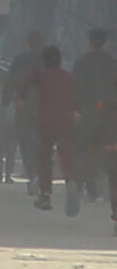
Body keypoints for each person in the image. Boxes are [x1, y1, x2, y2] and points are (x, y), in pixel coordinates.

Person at [33, 43, 83, 213]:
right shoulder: (69, 78)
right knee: (67, 152)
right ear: (60, 61)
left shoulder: (40, 76)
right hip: (67, 119)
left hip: (46, 121)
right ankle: (71, 181)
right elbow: (77, 99)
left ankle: (45, 195)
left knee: (45, 155)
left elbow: (25, 90)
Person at [74, 28, 117, 209]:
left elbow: (74, 87)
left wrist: (76, 109)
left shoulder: (82, 63)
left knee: (88, 150)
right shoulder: (112, 63)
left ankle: (91, 189)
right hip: (110, 114)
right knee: (110, 149)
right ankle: (109, 187)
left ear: (89, 41)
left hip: (88, 113)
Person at [3, 31, 46, 188]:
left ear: (27, 43)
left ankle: (31, 173)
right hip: (44, 107)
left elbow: (11, 80)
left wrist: (6, 99)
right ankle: (39, 174)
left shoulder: (20, 59)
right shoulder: (47, 61)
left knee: (25, 141)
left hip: (24, 105)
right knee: (42, 141)